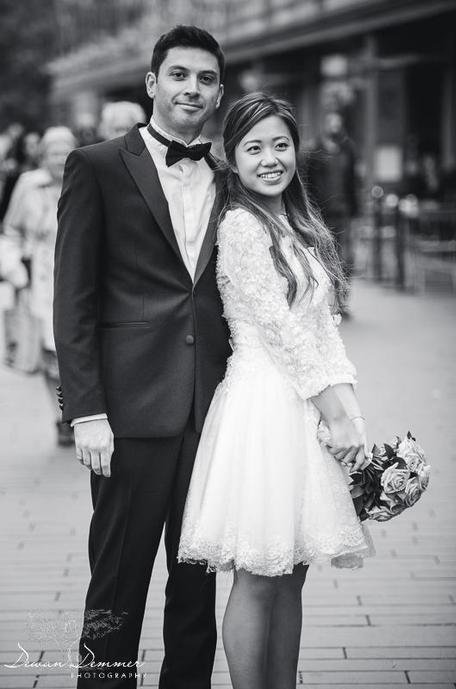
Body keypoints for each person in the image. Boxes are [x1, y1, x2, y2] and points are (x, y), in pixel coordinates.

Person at [53, 25, 230, 689]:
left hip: (212, 414)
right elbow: (72, 299)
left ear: (219, 93)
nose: (192, 88)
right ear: (153, 83)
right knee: (116, 586)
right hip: (126, 416)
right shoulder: (97, 166)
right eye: (179, 74)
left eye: (206, 78)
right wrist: (86, 411)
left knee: (196, 592)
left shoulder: (229, 174)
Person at [178, 93, 372, 689]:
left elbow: (322, 328)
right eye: (254, 148)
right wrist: (332, 412)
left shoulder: (299, 223)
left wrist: (350, 411)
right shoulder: (239, 226)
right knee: (259, 573)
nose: (270, 159)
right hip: (264, 406)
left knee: (293, 574)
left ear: (296, 151)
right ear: (231, 159)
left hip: (306, 406)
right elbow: (283, 334)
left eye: (280, 145)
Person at [1, 127, 76, 445]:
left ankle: (78, 409)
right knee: (50, 353)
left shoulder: (85, 177)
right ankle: (62, 415)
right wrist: (15, 269)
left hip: (78, 271)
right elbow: (11, 229)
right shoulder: (28, 185)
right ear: (42, 156)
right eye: (52, 152)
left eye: (65, 150)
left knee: (77, 346)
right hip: (42, 276)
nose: (59, 158)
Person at [305, 111, 358, 316]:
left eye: (339, 123)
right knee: (322, 258)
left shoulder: (348, 150)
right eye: (332, 123)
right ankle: (322, 305)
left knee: (346, 259)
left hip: (344, 212)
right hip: (321, 214)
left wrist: (356, 211)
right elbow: (307, 183)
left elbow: (354, 182)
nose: (335, 127)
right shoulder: (314, 151)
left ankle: (342, 303)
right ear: (325, 125)